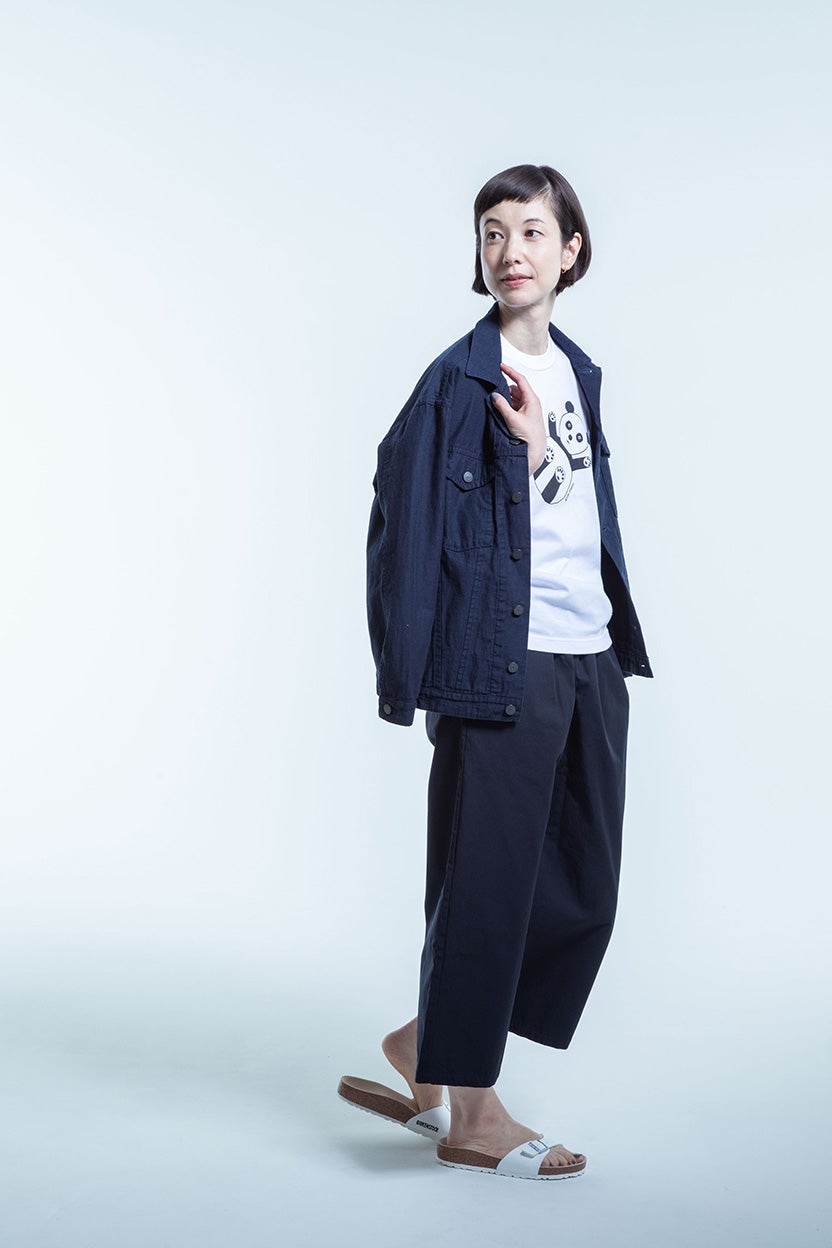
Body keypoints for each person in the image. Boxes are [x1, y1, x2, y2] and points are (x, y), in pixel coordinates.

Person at [338, 164, 652, 1180]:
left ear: (570, 251)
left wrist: (538, 462)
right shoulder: (456, 381)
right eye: (492, 233)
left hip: (589, 654)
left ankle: (427, 1042)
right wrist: (409, 674)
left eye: (531, 231)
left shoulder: (577, 370)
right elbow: (400, 526)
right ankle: (471, 1112)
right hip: (499, 664)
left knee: (580, 891)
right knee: (485, 888)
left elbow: (571, 508)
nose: (510, 251)